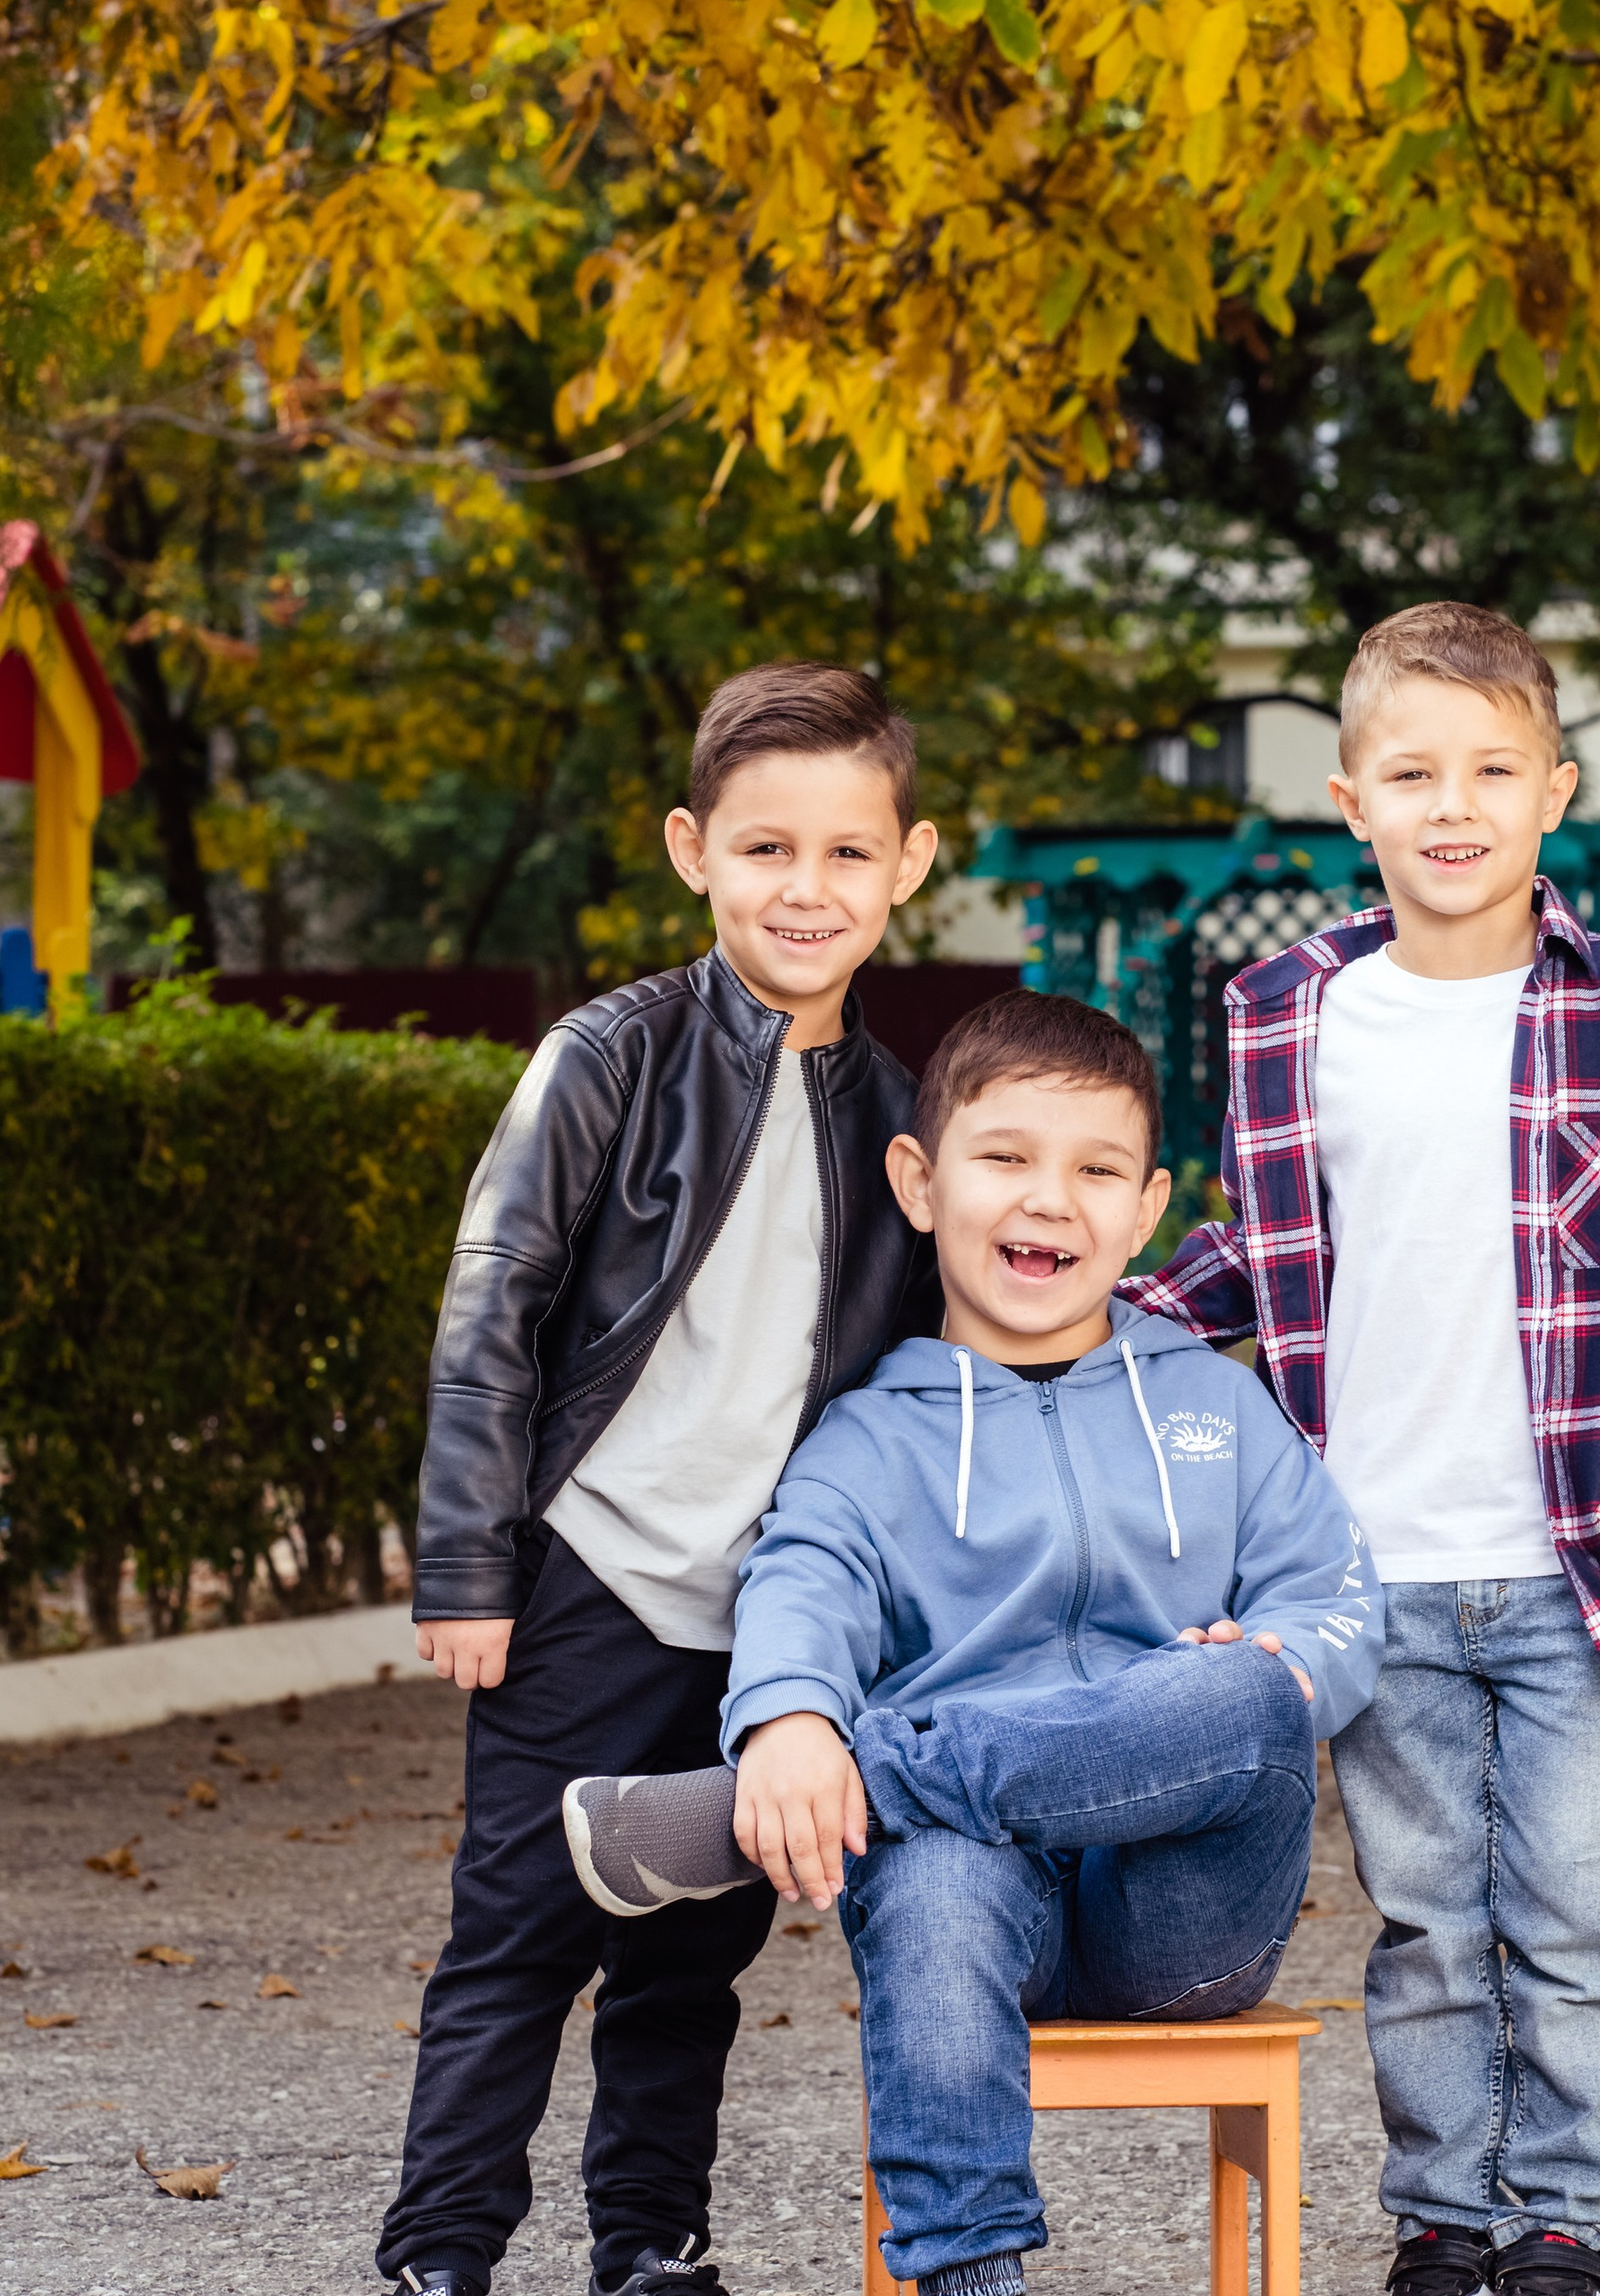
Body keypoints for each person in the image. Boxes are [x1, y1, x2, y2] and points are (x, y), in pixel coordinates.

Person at [1121, 603, 1600, 2296]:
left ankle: (1568, 2217)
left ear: (1553, 791)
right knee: (1427, 1924)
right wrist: (1087, 1314)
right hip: (1369, 1562)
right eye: (1412, 771)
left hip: (1598, 1557)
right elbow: (1266, 1256)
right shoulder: (1287, 1012)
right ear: (1350, 801)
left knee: (1576, 1915)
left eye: (1494, 769)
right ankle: (1443, 2216)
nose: (1454, 804)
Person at [559, 990, 1383, 2296]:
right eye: (1005, 1158)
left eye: (1096, 1170)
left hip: (1182, 1911)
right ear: (922, 1180)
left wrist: (1275, 1659)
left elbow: (1339, 1601)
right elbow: (802, 1585)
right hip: (967, 1897)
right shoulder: (866, 1440)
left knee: (1249, 1691)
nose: (1050, 1200)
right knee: (934, 1873)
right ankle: (970, 2283)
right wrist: (784, 1724)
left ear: (1148, 1206)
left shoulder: (1218, 1407)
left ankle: (852, 1784)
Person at [378, 663, 943, 2296]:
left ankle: (651, 2244)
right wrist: (468, 1568)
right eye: (767, 850)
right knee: (518, 1938)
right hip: (585, 1580)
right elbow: (495, 1303)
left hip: (765, 1619)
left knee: (690, 1956)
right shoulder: (607, 1057)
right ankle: (439, 2253)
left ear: (908, 864)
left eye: (848, 853)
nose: (807, 889)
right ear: (694, 848)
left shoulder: (899, 1121)